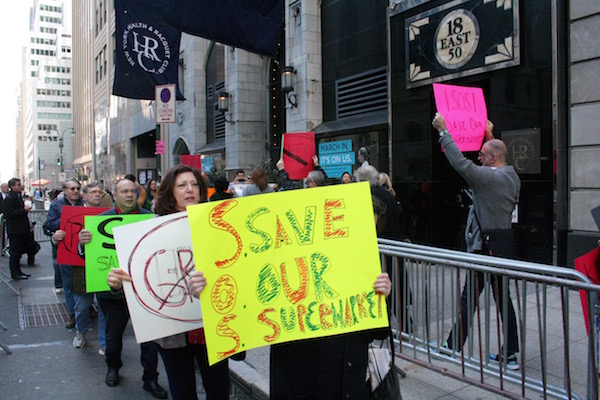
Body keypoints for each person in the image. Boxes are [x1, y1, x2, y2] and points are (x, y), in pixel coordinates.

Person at [104, 165, 230, 400]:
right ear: (169, 191)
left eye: (194, 184)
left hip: (214, 327)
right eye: (181, 185)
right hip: (172, 331)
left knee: (219, 390)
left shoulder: (218, 224)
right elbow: (139, 276)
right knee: (182, 392)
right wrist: (117, 282)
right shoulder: (150, 229)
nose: (189, 190)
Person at [432, 112, 521, 370]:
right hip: (500, 246)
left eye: (482, 154)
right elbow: (495, 159)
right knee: (503, 300)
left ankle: (452, 345)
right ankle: (511, 353)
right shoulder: (511, 176)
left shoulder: (488, 178)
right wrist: (490, 136)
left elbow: (460, 163)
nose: (478, 156)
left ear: (492, 158)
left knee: (468, 298)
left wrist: (443, 131)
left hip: (485, 250)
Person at [78, 178, 167, 398]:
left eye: (132, 191)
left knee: (149, 339)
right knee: (113, 336)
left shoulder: (151, 219)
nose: (129, 195)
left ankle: (151, 378)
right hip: (113, 293)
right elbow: (89, 257)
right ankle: (113, 367)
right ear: (115, 195)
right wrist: (83, 244)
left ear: (137, 193)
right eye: (123, 191)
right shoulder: (99, 222)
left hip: (144, 291)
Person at [69, 182, 107, 353]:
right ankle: (81, 332)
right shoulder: (74, 215)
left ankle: (104, 342)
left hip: (102, 264)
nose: (97, 195)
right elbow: (67, 238)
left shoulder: (109, 214)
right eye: (93, 192)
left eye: (100, 192)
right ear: (85, 195)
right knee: (82, 305)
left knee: (104, 306)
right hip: (81, 266)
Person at [44, 179, 85, 328]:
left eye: (78, 188)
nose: (75, 191)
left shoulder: (85, 204)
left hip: (84, 250)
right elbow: (47, 225)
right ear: (65, 191)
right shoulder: (56, 206)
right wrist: (65, 221)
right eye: (72, 188)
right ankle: (73, 314)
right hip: (65, 251)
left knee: (86, 282)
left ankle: (84, 309)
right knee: (68, 284)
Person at [3, 178, 32, 280]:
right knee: (15, 252)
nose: (20, 186)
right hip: (15, 230)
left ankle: (18, 271)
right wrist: (23, 210)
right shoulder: (9, 198)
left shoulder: (17, 197)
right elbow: (9, 214)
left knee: (18, 252)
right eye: (18, 185)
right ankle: (15, 273)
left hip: (20, 229)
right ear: (12, 187)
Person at [1, 182, 9, 256]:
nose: (7, 188)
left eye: (7, 187)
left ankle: (7, 247)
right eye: (5, 187)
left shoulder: (10, 196)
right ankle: (2, 247)